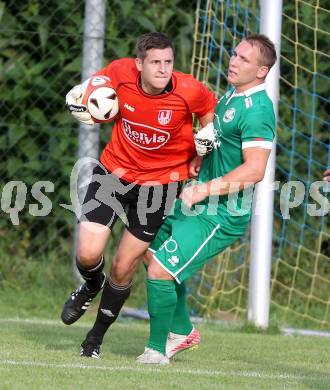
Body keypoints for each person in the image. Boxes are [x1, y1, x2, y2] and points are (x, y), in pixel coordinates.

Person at [62, 32, 217, 358]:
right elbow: (88, 91)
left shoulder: (190, 90)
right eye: (155, 62)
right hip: (113, 173)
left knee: (124, 266)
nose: (163, 69)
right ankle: (91, 284)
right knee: (88, 255)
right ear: (139, 64)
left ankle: (95, 338)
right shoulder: (120, 72)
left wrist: (200, 152)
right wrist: (81, 102)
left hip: (160, 186)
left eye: (168, 62)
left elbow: (207, 114)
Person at [136, 33, 277, 364]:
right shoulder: (231, 97)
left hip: (222, 213)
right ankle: (182, 331)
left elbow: (255, 169)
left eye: (244, 59)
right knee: (148, 250)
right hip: (199, 201)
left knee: (160, 270)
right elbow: (222, 141)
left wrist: (206, 188)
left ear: (261, 71)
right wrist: (203, 156)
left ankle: (156, 351)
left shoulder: (258, 111)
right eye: (234, 54)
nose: (234, 60)